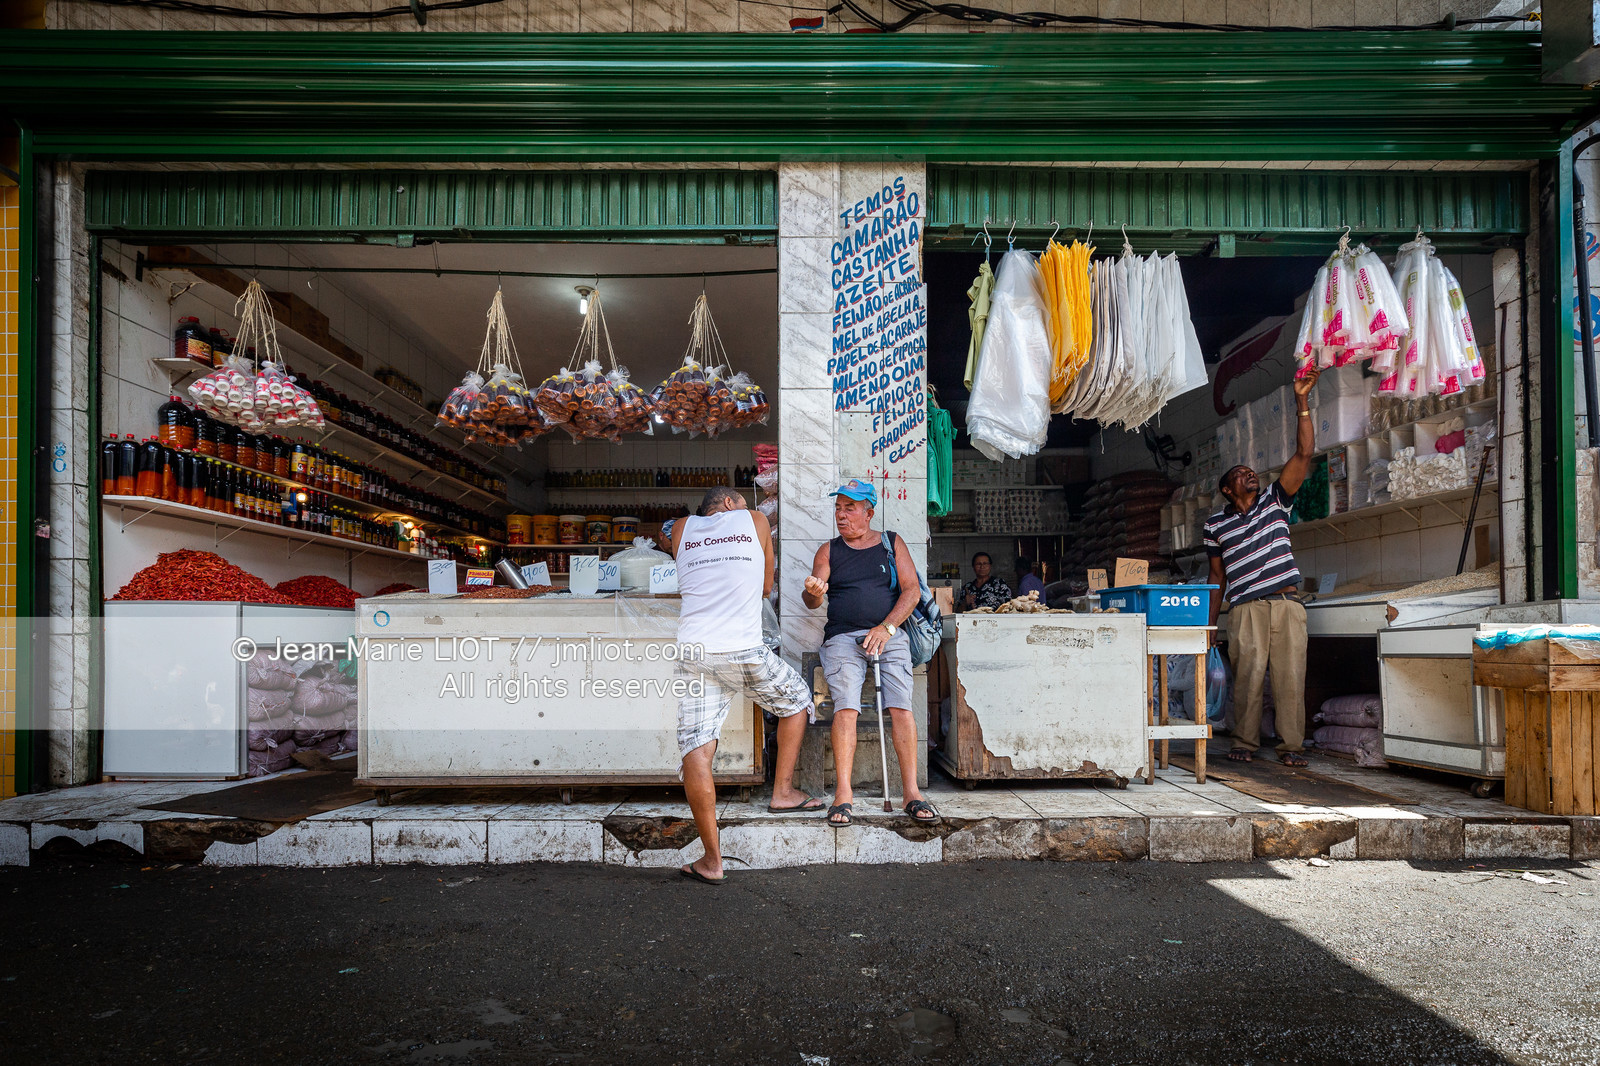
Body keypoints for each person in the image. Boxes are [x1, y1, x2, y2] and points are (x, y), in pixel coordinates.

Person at [668, 486, 820, 885]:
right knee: (797, 700)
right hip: (741, 648)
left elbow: (687, 575)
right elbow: (766, 587)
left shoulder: (681, 528)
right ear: (733, 503)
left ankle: (712, 861)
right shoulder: (754, 520)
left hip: (694, 649)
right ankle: (782, 791)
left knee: (696, 750)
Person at [803, 478, 940, 827]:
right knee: (845, 707)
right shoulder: (828, 551)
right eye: (838, 508)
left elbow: (910, 591)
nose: (841, 515)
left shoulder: (891, 544)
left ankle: (911, 792)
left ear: (869, 513)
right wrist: (814, 591)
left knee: (901, 707)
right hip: (842, 639)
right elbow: (812, 600)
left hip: (889, 635)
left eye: (850, 508)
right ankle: (843, 795)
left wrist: (887, 628)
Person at [1204, 369, 1321, 768]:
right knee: (1248, 679)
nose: (1249, 474)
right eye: (1239, 475)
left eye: (1251, 472)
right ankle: (1245, 742)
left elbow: (1304, 454)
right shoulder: (1215, 525)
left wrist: (1302, 402)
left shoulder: (1276, 500)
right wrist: (1209, 625)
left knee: (1290, 679)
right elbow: (1217, 577)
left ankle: (1292, 747)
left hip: (1287, 603)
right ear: (1227, 489)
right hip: (1245, 609)